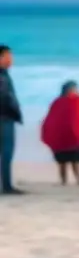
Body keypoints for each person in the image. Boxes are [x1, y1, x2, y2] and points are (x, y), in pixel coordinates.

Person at [40, 81, 79, 186]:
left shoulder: (62, 101)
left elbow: (52, 118)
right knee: (68, 162)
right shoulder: (74, 101)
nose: (75, 91)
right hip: (68, 136)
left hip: (67, 136)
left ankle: (72, 180)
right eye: (74, 89)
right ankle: (71, 181)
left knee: (69, 161)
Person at [0, 45, 24, 194]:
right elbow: (5, 98)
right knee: (6, 152)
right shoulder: (2, 76)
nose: (11, 59)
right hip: (4, 118)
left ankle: (7, 185)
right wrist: (16, 113)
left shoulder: (5, 74)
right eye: (9, 55)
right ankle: (7, 186)